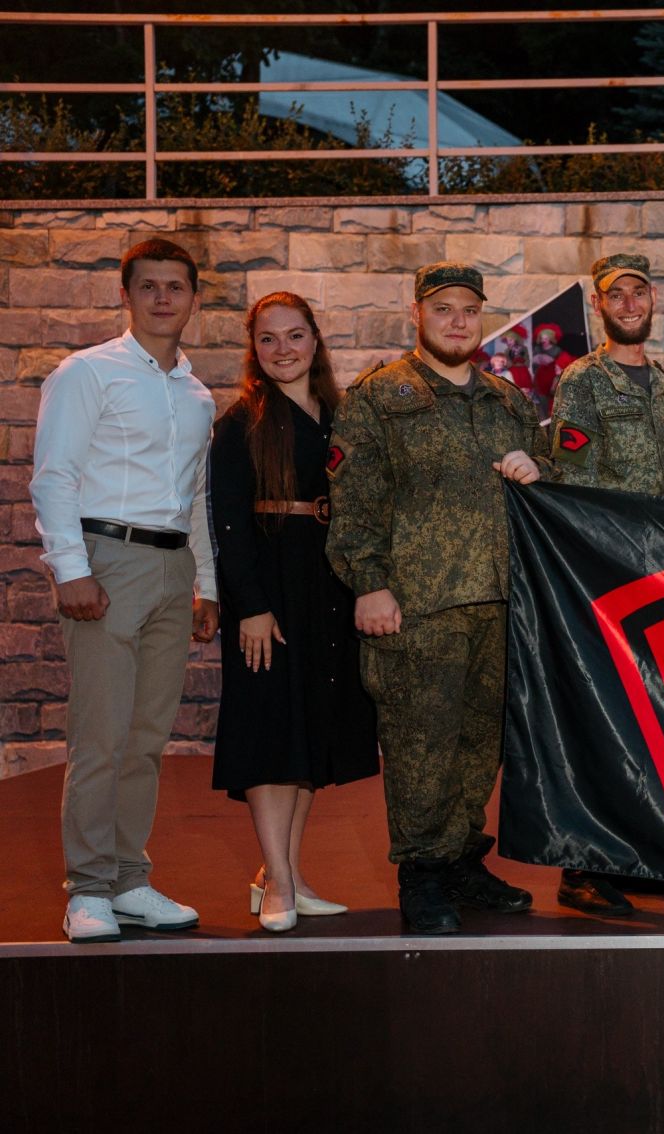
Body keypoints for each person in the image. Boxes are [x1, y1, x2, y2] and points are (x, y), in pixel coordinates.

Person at [327, 262, 554, 935]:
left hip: (499, 602)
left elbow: (548, 478)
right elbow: (353, 500)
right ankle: (422, 873)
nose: (458, 321)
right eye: (443, 308)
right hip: (417, 605)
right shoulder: (378, 397)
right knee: (420, 747)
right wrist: (369, 583)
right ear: (417, 314)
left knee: (480, 745)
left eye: (468, 309)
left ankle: (459, 859)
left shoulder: (508, 401)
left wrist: (539, 469)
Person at [31, 238, 220, 944]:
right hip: (106, 561)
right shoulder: (88, 372)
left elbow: (196, 498)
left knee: (145, 740)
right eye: (149, 286)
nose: (163, 298)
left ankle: (128, 879)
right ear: (127, 295)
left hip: (172, 568)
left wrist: (204, 585)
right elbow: (54, 475)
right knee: (101, 737)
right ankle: (87, 889)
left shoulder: (196, 396)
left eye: (176, 286)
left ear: (194, 298)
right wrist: (71, 568)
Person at [209, 292, 381, 933]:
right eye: (268, 338)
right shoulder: (242, 423)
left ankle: (284, 874)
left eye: (294, 335)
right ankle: (278, 883)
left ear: (315, 339)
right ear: (253, 349)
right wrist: (250, 607)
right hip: (270, 592)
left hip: (328, 589)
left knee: (310, 733)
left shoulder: (341, 415)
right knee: (271, 732)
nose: (282, 349)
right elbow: (228, 523)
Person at [550, 252, 664, 917]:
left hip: (658, 576)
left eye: (639, 292)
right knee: (597, 719)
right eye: (616, 295)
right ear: (599, 306)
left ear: (652, 299)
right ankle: (581, 867)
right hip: (603, 574)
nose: (629, 303)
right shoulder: (582, 381)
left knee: (646, 721)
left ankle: (635, 856)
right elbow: (573, 486)